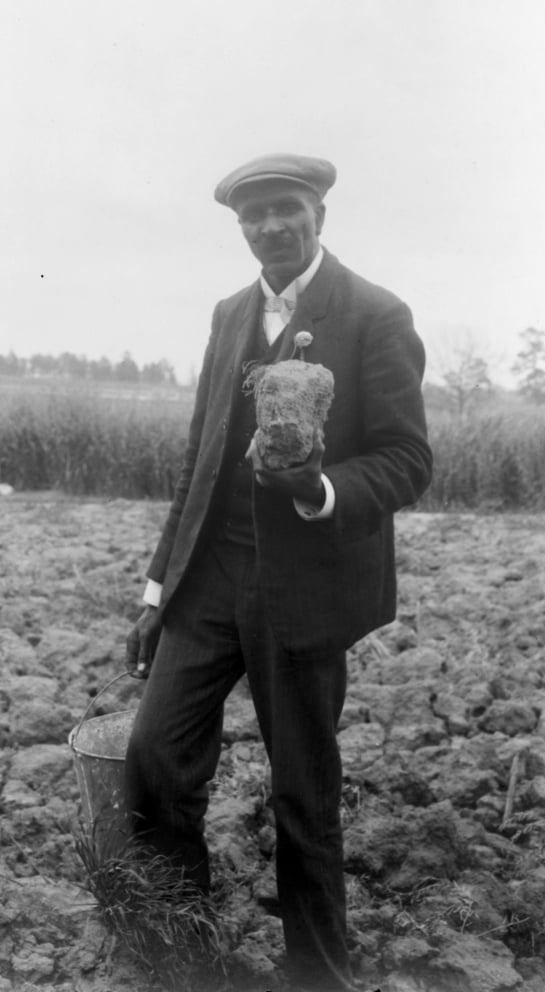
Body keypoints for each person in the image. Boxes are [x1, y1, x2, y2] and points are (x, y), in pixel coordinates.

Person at [123, 152, 432, 991]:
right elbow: (199, 459)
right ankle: (184, 952)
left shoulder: (373, 314)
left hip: (303, 586)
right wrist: (158, 589)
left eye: (285, 209)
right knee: (154, 752)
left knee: (302, 790)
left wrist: (321, 489)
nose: (269, 227)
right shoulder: (230, 314)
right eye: (251, 215)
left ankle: (316, 975)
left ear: (319, 216)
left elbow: (407, 460)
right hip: (211, 575)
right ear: (239, 228)